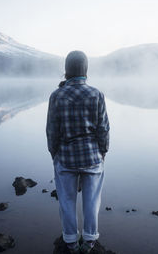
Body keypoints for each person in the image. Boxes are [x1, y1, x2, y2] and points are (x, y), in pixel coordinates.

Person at [46, 50, 110, 253]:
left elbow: (52, 131)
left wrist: (54, 154)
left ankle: (71, 242)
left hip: (65, 158)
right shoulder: (96, 94)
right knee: (92, 202)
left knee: (66, 201)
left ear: (66, 70)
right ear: (86, 69)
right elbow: (103, 128)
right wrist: (103, 152)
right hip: (92, 157)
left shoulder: (56, 95)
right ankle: (89, 241)